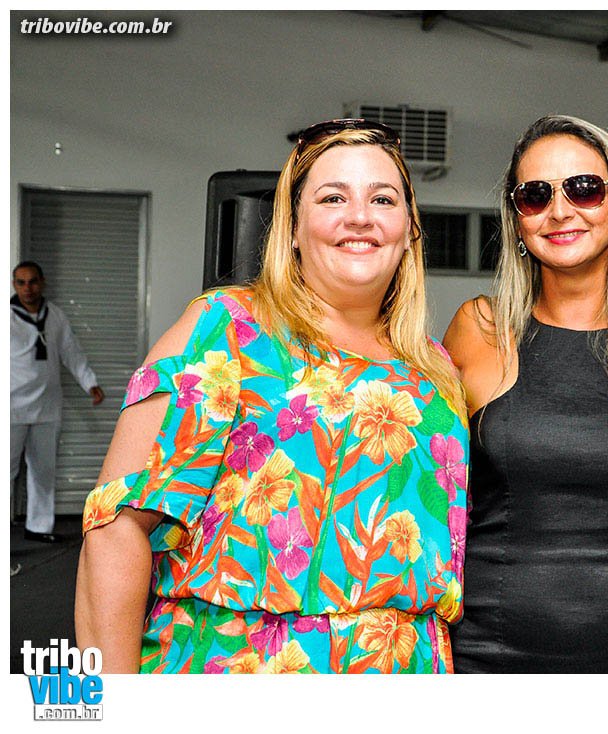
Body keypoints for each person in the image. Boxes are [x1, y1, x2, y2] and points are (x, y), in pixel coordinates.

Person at [74, 119, 469, 674]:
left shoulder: (434, 369)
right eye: (333, 198)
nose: (360, 216)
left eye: (383, 199)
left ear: (409, 230)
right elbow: (116, 529)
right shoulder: (226, 329)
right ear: (292, 228)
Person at [443, 115, 608, 672]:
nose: (559, 211)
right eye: (535, 195)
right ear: (517, 218)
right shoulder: (479, 329)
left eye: (583, 188)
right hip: (490, 654)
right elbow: (433, 485)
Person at [11, 261, 105, 544]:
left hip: (47, 405)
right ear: (14, 286)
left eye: (32, 281)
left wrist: (89, 382)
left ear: (42, 282)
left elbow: (71, 351)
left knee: (43, 469)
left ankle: (39, 526)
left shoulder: (55, 315)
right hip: (11, 406)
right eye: (21, 283)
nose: (28, 288)